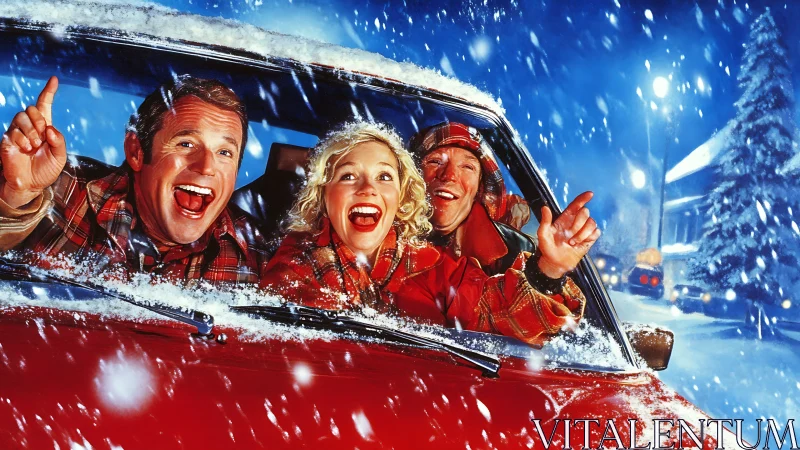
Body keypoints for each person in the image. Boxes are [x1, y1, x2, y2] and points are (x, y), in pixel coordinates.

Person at [260, 122, 588, 345]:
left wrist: (550, 269)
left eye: (384, 177)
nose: (368, 189)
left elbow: (494, 313)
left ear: (401, 197)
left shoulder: (430, 263)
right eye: (348, 177)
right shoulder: (295, 264)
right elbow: (315, 350)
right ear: (323, 195)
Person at [0, 75, 270, 286]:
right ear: (136, 152)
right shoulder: (58, 189)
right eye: (186, 144)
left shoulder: (259, 256)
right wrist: (17, 194)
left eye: (224, 152)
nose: (207, 167)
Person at [413, 122, 600, 295]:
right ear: (413, 175)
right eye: (435, 162)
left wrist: (548, 271)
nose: (449, 175)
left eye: (467, 167)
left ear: (480, 188)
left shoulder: (516, 251)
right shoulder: (386, 231)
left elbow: (519, 319)